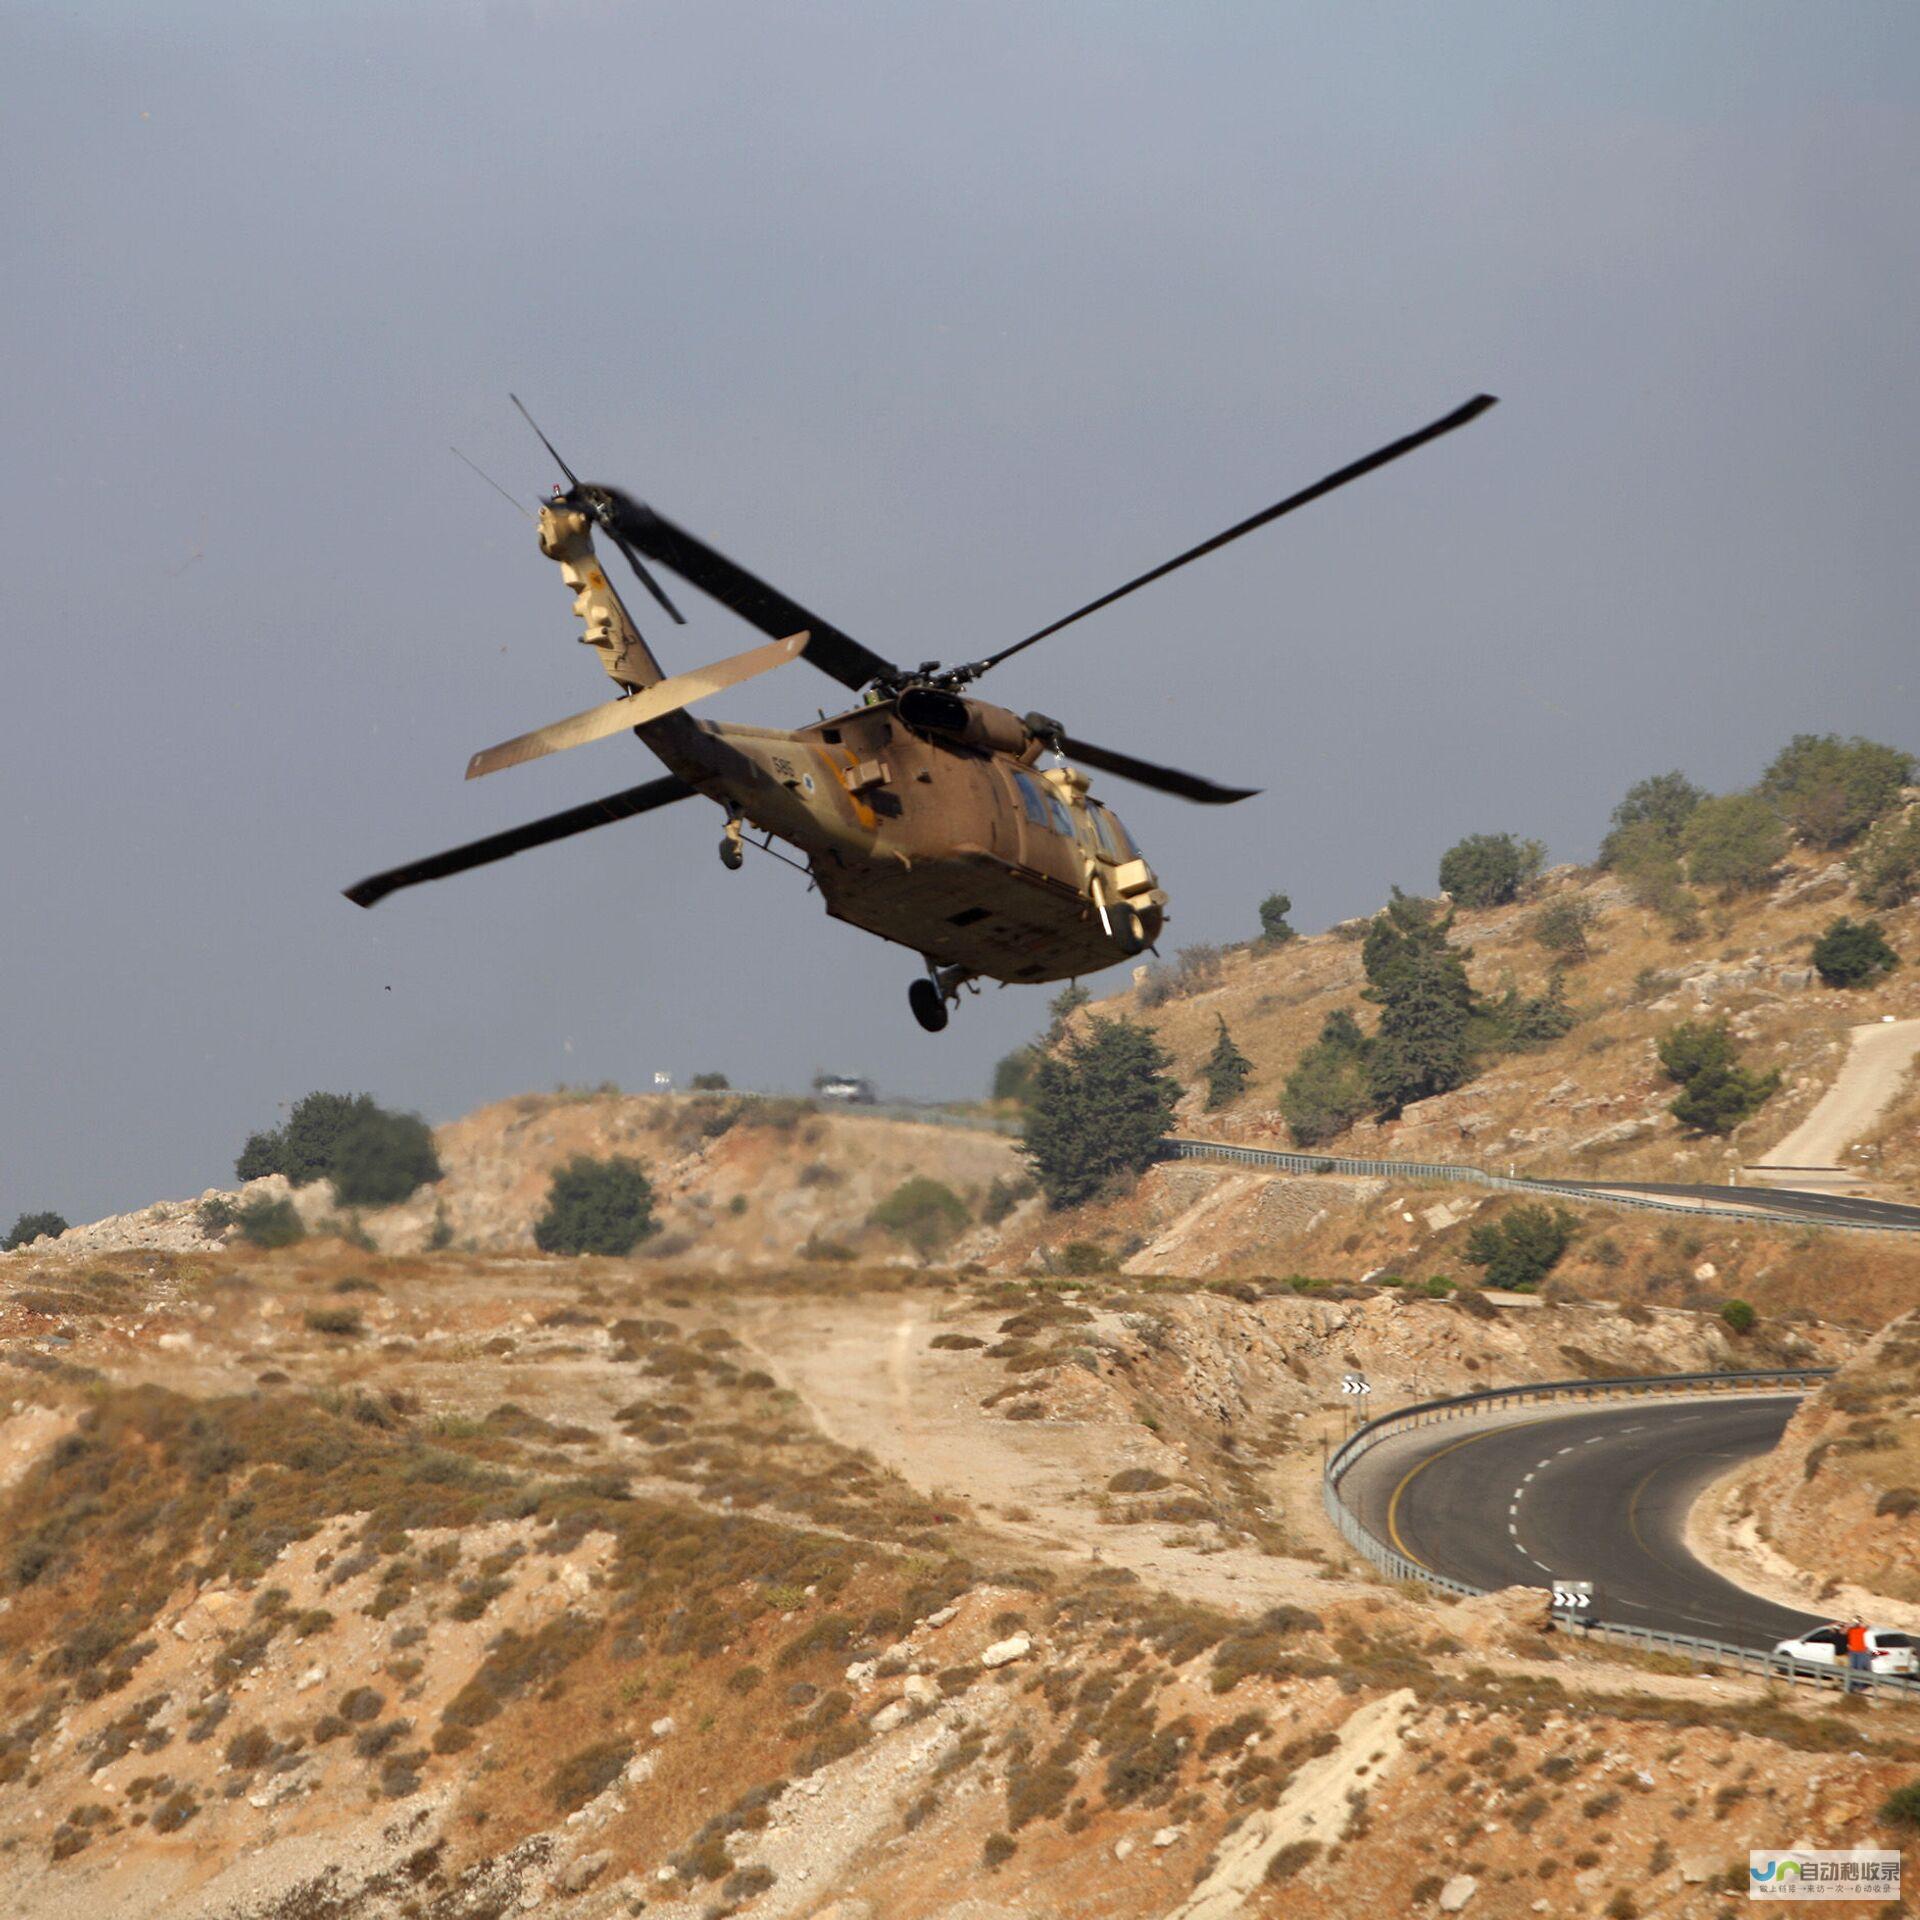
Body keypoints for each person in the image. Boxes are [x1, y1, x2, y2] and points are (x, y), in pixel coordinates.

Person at [1846, 1619, 1871, 1692]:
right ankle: (1851, 1686)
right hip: (1853, 1651)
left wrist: (1860, 1623)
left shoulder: (1862, 1629)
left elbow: (1868, 1626)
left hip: (1861, 1652)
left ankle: (1860, 1686)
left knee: (1859, 1668)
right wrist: (1851, 1624)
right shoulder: (1851, 1630)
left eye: (1856, 1623)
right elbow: (1845, 1629)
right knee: (1852, 1668)